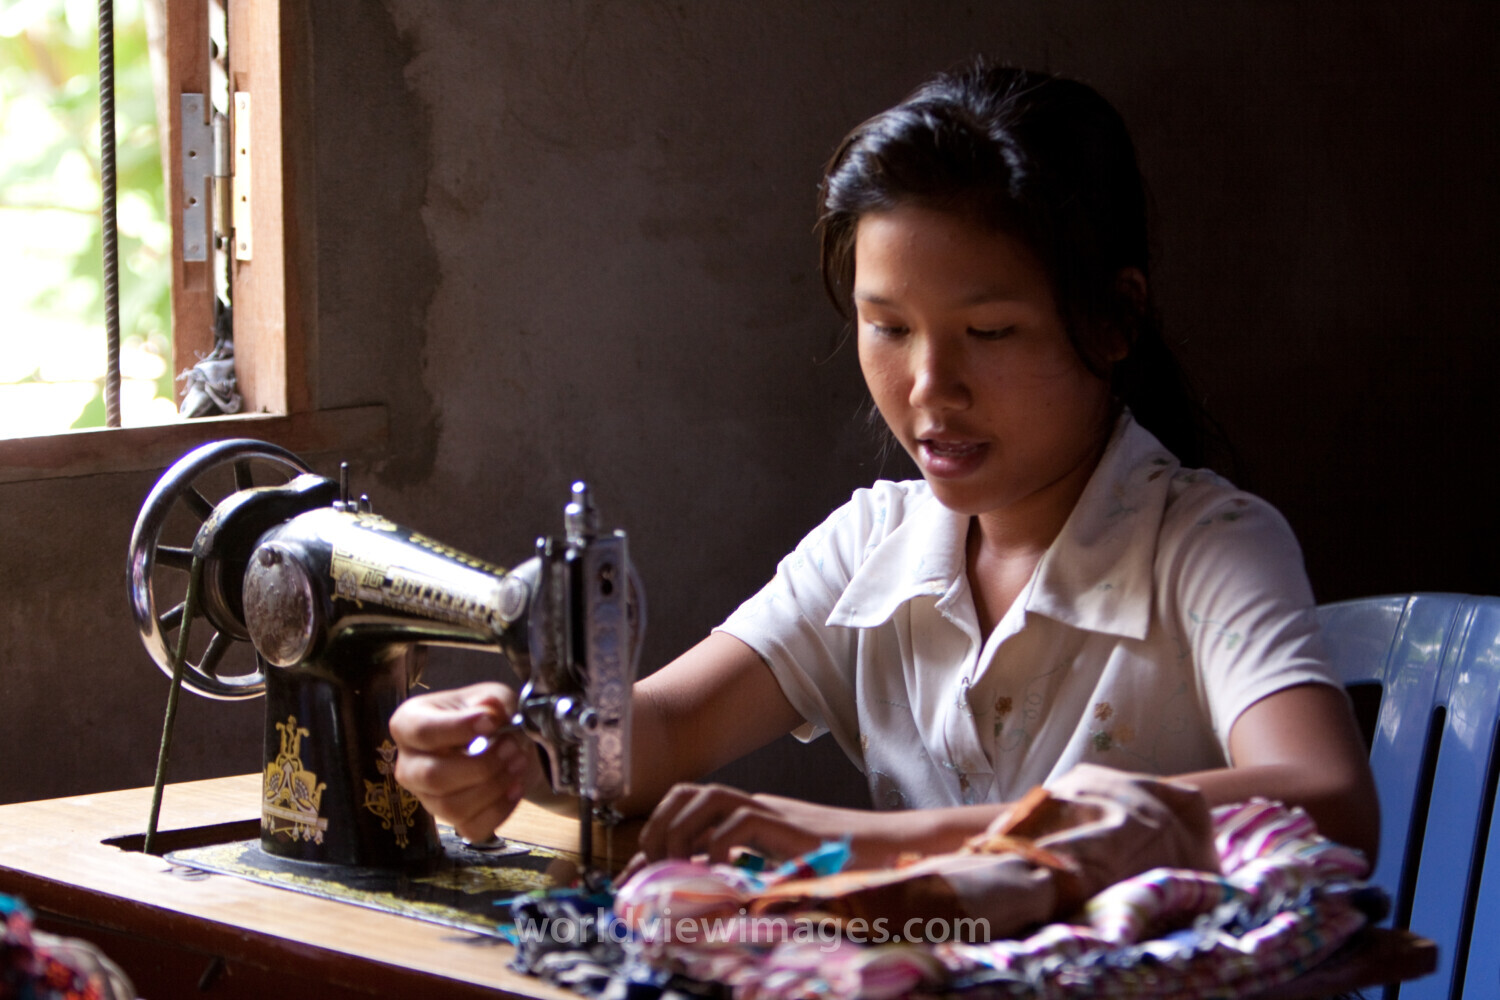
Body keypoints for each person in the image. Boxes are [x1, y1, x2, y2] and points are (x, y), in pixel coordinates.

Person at [390, 62, 1379, 874]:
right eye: (888, 328)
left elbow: (1329, 801)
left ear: (1114, 318)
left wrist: (871, 843)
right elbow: (666, 728)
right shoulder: (877, 548)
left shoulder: (1206, 550)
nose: (928, 386)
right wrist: (506, 747)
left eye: (988, 331)